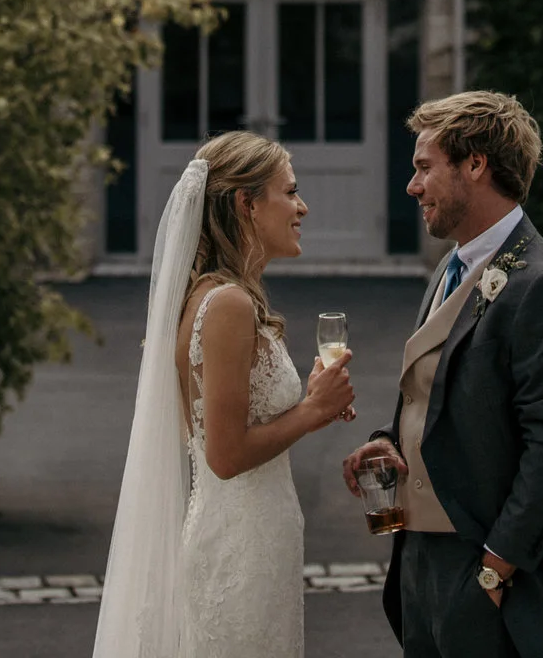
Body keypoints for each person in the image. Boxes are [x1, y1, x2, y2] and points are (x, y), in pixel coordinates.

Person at [341, 91, 543, 658]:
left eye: (424, 168)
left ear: (476, 165)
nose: (413, 187)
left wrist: (493, 572)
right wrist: (387, 441)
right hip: (421, 565)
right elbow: (435, 395)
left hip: (490, 576)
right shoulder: (450, 267)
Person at [93, 130, 357, 658]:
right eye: (289, 192)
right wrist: (311, 410)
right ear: (247, 203)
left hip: (251, 537)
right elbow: (226, 454)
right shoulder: (228, 304)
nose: (301, 206)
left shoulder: (218, 297)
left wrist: (313, 405)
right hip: (241, 549)